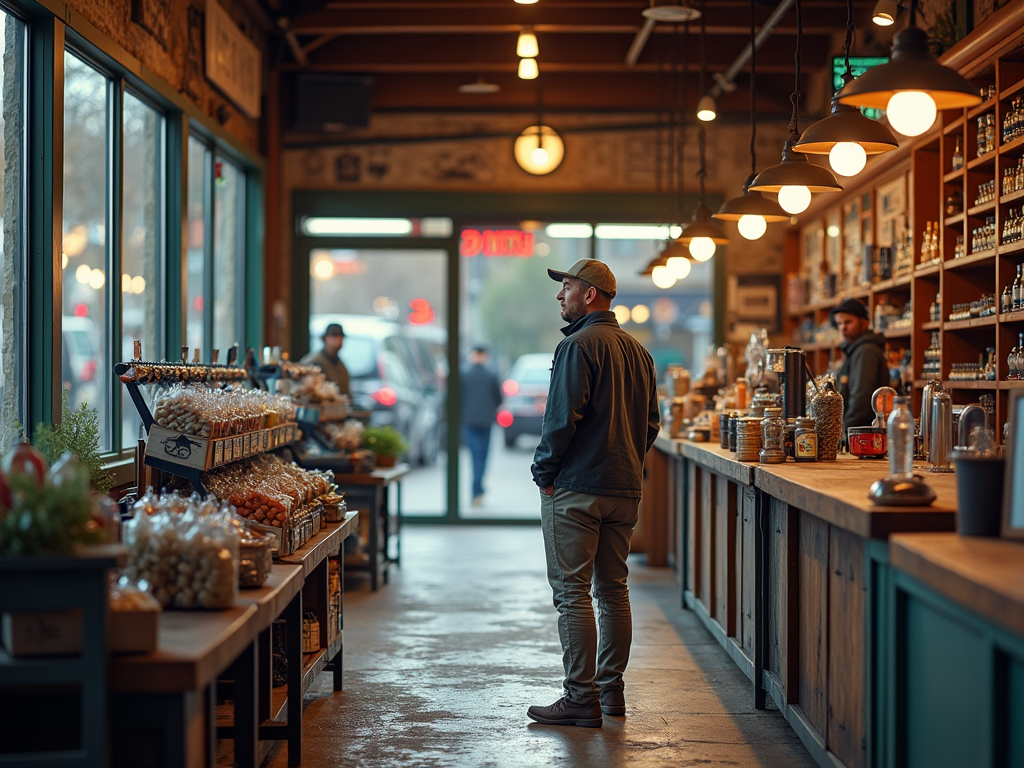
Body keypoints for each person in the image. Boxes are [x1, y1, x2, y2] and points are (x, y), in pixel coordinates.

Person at [528, 259, 660, 728]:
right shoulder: (639, 352)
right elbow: (650, 426)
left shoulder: (578, 346)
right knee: (613, 589)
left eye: (565, 286)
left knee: (572, 593)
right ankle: (611, 691)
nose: (559, 295)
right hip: (624, 489)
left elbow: (562, 419)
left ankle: (580, 696)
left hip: (577, 489)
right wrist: (624, 462)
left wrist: (544, 471)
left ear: (590, 295)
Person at [831, 297, 889, 438]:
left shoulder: (866, 351)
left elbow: (861, 400)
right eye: (839, 323)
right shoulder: (857, 349)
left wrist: (845, 434)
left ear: (864, 323)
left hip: (862, 437)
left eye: (848, 322)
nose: (843, 328)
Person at [460, 345, 503, 507]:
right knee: (483, 457)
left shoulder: (463, 373)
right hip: (486, 421)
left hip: (468, 421)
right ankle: (477, 489)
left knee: (474, 456)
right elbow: (498, 399)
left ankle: (476, 489)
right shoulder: (491, 374)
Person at [301, 323, 351, 399]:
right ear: (325, 339)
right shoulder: (314, 362)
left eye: (340, 337)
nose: (338, 341)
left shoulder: (340, 364)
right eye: (334, 337)